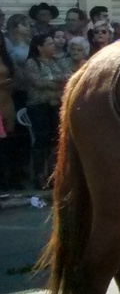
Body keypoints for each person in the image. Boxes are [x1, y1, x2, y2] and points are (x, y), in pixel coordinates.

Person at [22, 33, 72, 187]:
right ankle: (39, 175)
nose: (54, 46)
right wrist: (58, 80)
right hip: (39, 106)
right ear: (40, 47)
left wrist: (53, 80)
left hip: (56, 104)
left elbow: (68, 78)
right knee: (42, 139)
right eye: (49, 43)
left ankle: (54, 174)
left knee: (56, 139)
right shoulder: (32, 63)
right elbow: (38, 82)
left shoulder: (59, 62)